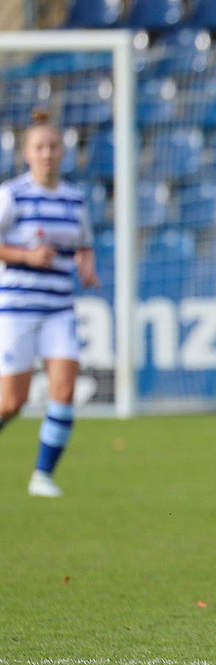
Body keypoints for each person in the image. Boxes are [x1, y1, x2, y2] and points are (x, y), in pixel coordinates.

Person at [0, 110, 99, 498]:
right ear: (27, 153)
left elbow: (84, 244)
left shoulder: (75, 199)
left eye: (53, 146)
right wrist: (25, 256)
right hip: (18, 306)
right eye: (39, 147)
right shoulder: (12, 194)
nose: (47, 153)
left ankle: (43, 476)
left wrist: (87, 267)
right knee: (12, 401)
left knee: (63, 390)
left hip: (59, 306)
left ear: (63, 152)